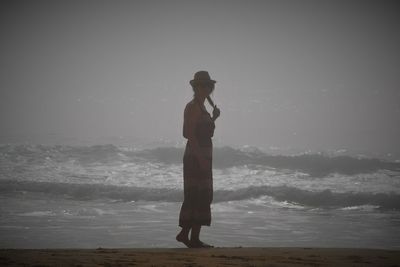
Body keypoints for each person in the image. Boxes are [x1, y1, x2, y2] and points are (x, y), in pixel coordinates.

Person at [176, 71, 221, 248]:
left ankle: (190, 236)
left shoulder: (203, 108)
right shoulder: (192, 106)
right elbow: (189, 134)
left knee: (203, 195)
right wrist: (200, 158)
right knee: (195, 194)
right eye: (202, 85)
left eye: (209, 85)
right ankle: (189, 236)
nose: (206, 88)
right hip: (195, 156)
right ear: (196, 87)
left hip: (204, 155)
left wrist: (214, 118)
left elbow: (206, 132)